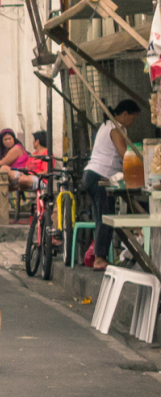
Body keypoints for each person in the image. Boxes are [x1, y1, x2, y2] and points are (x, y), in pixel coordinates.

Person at [81, 99, 143, 270]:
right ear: (125, 114)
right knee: (106, 217)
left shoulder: (106, 125)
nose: (133, 123)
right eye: (132, 118)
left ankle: (99, 256)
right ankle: (100, 258)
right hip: (99, 176)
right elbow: (124, 155)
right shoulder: (115, 129)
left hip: (91, 175)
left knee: (101, 217)